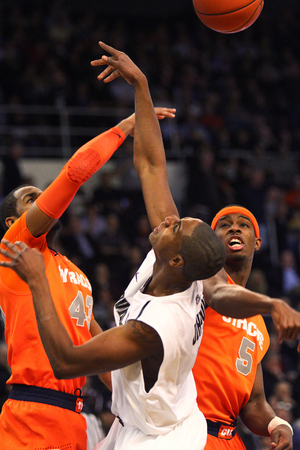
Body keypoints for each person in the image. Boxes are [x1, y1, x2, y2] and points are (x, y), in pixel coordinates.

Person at [1, 42, 300, 450]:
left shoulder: (157, 326)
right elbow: (152, 165)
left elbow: (68, 361)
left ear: (176, 257)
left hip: (162, 437)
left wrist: (37, 282)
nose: (168, 219)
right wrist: (141, 86)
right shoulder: (183, 270)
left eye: (177, 226)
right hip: (134, 421)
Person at [0, 103, 176, 450]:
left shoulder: (76, 273)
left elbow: (94, 346)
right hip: (31, 412)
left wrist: (136, 403)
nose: (42, 201)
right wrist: (126, 125)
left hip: (75, 418)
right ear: (12, 222)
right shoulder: (14, 247)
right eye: (30, 200)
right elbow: (74, 173)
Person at [193, 205, 295, 450]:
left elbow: (254, 403)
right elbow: (220, 294)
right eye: (225, 225)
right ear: (212, 241)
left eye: (244, 224)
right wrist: (273, 304)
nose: (235, 227)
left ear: (257, 242)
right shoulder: (199, 282)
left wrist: (277, 425)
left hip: (229, 438)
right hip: (187, 429)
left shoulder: (258, 323)